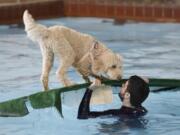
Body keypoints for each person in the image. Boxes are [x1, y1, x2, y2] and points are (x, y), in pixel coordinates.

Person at [77, 75, 150, 119]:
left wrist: (90, 89)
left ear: (127, 95)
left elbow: (82, 116)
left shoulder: (115, 113)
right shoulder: (142, 110)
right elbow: (141, 91)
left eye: (124, 86)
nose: (122, 85)